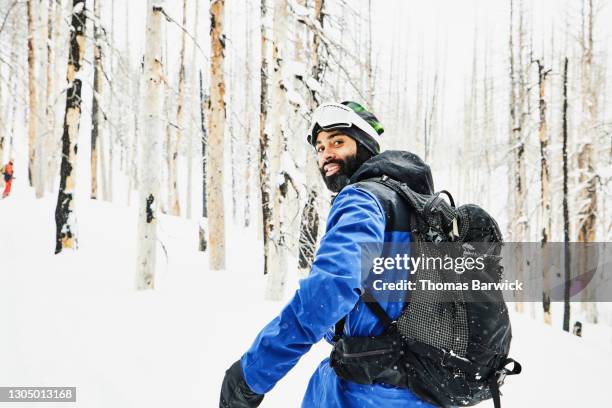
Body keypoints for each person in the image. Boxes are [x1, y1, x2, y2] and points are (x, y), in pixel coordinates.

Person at [220, 101, 435, 407]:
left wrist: (250, 375)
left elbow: (329, 290)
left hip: (368, 393)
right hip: (424, 392)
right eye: (320, 147)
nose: (326, 154)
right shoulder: (412, 207)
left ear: (364, 147)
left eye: (337, 142)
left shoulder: (362, 198)